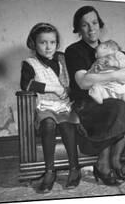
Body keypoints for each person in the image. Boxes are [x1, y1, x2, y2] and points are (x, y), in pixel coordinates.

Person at [65, 6, 125, 186]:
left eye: (94, 23)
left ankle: (115, 160)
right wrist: (114, 76)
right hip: (87, 101)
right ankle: (103, 164)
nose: (91, 29)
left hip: (111, 94)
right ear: (78, 29)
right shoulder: (74, 50)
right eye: (85, 25)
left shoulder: (109, 48)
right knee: (117, 107)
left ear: (100, 24)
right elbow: (83, 82)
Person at [20, 23, 81, 193]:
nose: (48, 47)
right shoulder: (30, 63)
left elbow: (74, 80)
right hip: (45, 106)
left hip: (64, 106)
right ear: (34, 43)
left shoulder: (62, 58)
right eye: (43, 42)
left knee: (67, 125)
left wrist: (68, 91)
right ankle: (49, 171)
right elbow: (26, 84)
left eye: (52, 42)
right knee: (48, 124)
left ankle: (75, 168)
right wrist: (53, 88)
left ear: (57, 43)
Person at [87, 40, 125, 128]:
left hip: (120, 84)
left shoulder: (117, 55)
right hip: (106, 85)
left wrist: (115, 63)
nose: (95, 53)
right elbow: (90, 73)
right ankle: (98, 96)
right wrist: (93, 71)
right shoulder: (97, 62)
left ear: (110, 49)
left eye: (99, 49)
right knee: (97, 87)